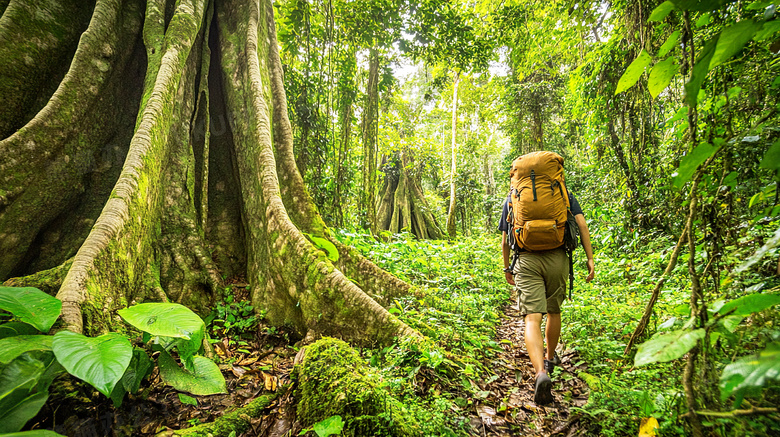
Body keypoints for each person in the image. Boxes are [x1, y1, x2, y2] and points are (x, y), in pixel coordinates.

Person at [499, 189, 595, 405]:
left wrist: (507, 267)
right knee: (554, 310)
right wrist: (590, 258)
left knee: (532, 318)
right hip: (557, 258)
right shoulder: (563, 194)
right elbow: (582, 225)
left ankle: (540, 372)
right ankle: (550, 357)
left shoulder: (513, 196)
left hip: (525, 259)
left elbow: (505, 240)